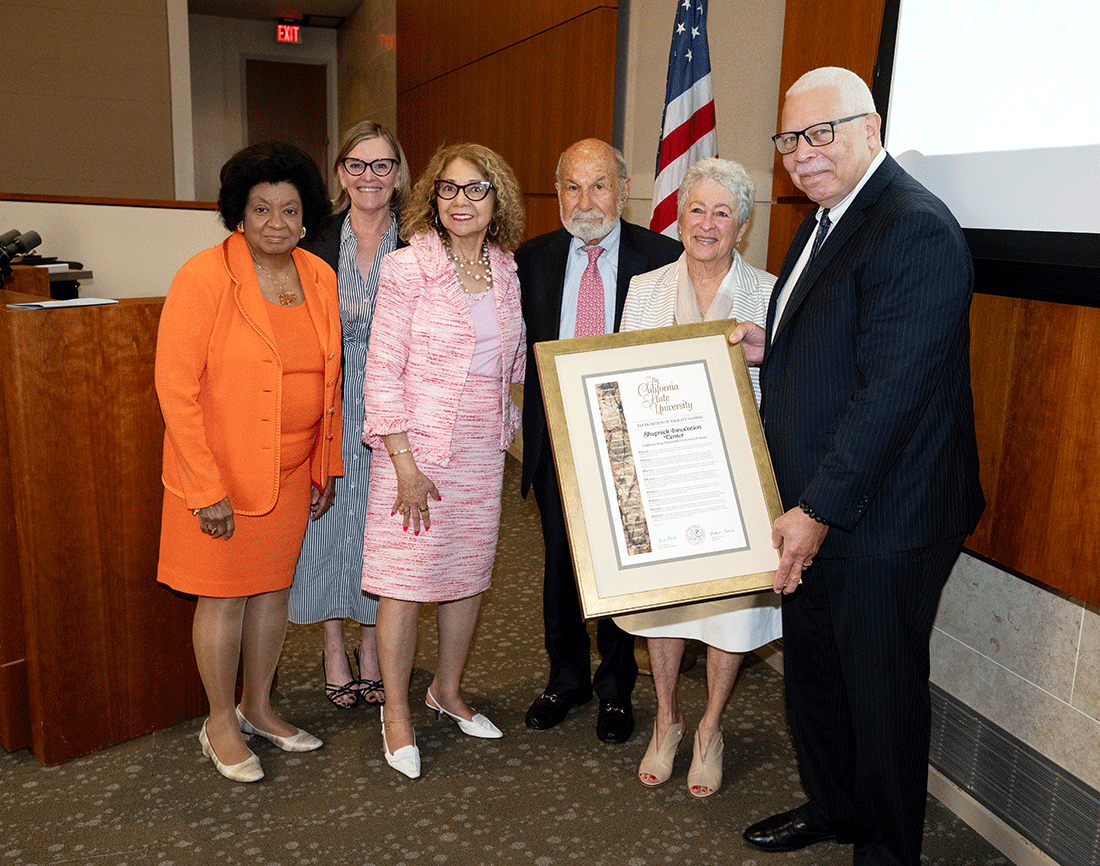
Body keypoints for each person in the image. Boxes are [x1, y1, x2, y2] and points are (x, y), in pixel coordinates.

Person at [730, 67, 984, 864]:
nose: (801, 154)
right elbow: (853, 342)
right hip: (821, 504)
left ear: (870, 127)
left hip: (885, 518)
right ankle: (835, 806)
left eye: (820, 134)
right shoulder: (825, 220)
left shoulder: (913, 226)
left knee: (879, 698)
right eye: (788, 140)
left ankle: (884, 849)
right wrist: (773, 346)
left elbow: (893, 395)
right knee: (817, 681)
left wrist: (816, 513)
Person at [155, 141, 342, 783]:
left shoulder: (319, 276)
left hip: (291, 473)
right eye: (261, 208)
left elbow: (330, 381)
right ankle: (219, 721)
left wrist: (327, 464)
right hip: (221, 476)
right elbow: (175, 389)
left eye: (290, 210)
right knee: (225, 599)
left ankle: (258, 707)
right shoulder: (203, 276)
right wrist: (206, 488)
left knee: (272, 593)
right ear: (239, 211)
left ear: (306, 216)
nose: (275, 223)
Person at [612, 157, 781, 798]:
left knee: (731, 612)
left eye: (721, 212)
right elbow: (624, 379)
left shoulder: (770, 291)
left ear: (741, 225)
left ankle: (709, 727)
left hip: (737, 479)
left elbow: (780, 382)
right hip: (661, 476)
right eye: (695, 209)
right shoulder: (645, 289)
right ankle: (668, 719)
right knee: (665, 607)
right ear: (678, 217)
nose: (706, 223)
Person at [361, 143, 527, 779]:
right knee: (404, 585)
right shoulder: (408, 268)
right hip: (416, 450)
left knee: (467, 575)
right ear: (433, 198)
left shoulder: (507, 269)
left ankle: (447, 691)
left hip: (483, 451)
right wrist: (402, 460)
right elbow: (382, 369)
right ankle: (397, 712)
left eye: (476, 189)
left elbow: (509, 364)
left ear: (497, 200)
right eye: (450, 189)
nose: (462, 201)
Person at [516, 139, 681, 744]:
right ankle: (565, 679)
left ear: (624, 188)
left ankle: (615, 688)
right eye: (572, 187)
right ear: (557, 191)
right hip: (557, 441)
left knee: (619, 568)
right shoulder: (528, 260)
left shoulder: (663, 256)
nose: (585, 200)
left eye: (599, 185)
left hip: (628, 442)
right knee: (560, 565)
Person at [290, 121, 410, 711]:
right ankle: (332, 647)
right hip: (326, 401)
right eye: (357, 166)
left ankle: (371, 648)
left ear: (398, 173)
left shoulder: (419, 242)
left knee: (376, 530)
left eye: (382, 166)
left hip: (392, 406)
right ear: (341, 173)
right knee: (323, 526)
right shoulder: (313, 241)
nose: (370, 178)